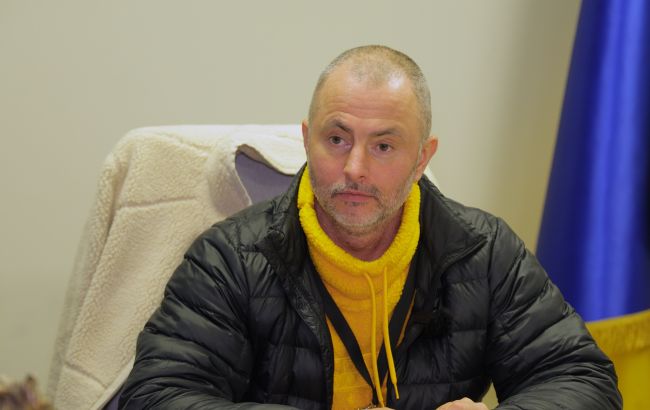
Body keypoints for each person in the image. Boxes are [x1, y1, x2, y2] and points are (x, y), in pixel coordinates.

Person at [119, 45, 621, 410]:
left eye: (383, 146)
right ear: (306, 139)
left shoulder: (483, 253)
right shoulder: (230, 258)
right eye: (337, 139)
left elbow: (584, 380)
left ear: (422, 158)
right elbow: (157, 395)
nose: (354, 168)